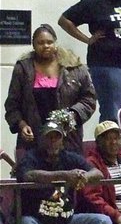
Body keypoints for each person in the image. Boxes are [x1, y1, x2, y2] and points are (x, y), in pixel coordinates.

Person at [5, 23, 96, 155]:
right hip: (33, 140)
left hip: (68, 139)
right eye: (40, 43)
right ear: (33, 45)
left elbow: (89, 99)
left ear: (55, 43)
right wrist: (22, 125)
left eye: (49, 42)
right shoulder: (23, 69)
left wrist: (72, 115)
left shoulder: (74, 66)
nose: (46, 46)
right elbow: (12, 105)